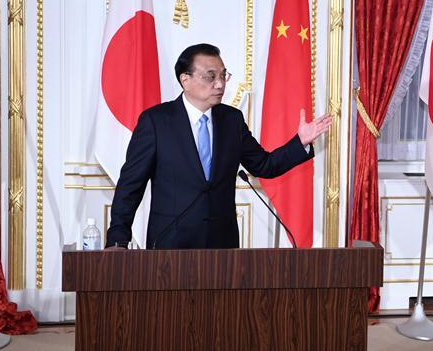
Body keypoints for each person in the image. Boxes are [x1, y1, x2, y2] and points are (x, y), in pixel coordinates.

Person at [105, 43, 331, 249]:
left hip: (222, 246)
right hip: (170, 246)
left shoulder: (231, 120)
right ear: (185, 80)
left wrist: (300, 142)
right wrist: (118, 240)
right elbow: (130, 185)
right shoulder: (156, 121)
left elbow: (264, 165)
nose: (220, 84)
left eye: (223, 76)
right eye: (210, 76)